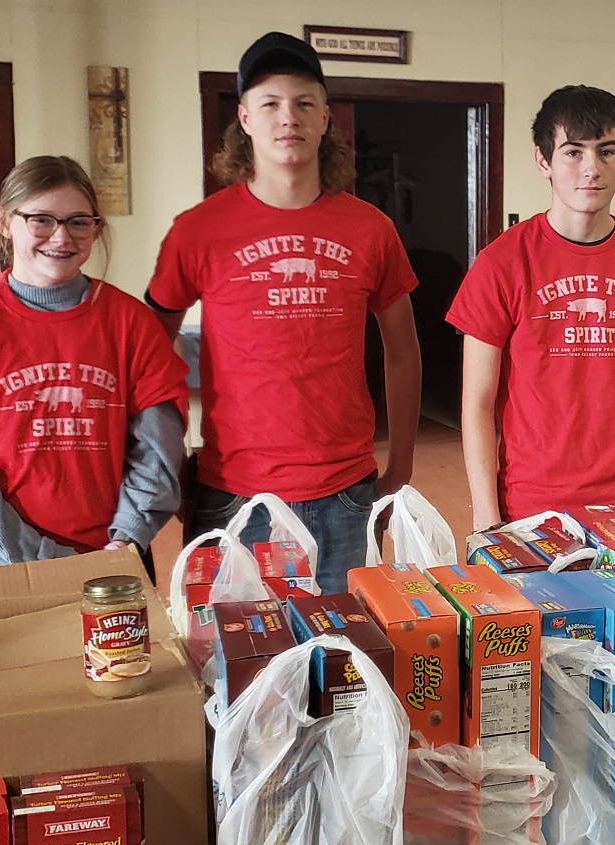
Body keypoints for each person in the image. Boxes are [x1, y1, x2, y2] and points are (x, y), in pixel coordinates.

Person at [146, 32, 420, 594]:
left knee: (344, 662)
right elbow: (149, 348)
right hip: (231, 492)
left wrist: (403, 467)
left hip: (346, 490)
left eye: (303, 103)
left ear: (325, 119)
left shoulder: (371, 230)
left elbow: (403, 349)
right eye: (269, 103)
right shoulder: (198, 231)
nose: (286, 118)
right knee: (231, 666)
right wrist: (167, 460)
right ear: (245, 118)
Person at [0, 155, 189, 573]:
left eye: (78, 222)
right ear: (3, 221)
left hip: (115, 552)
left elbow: (159, 447)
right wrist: (39, 559)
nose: (61, 237)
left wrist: (127, 535)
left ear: (96, 228)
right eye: (42, 220)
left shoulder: (130, 322)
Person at [450, 85, 615, 529]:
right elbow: (477, 399)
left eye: (606, 151)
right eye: (573, 152)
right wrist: (486, 519)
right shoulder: (500, 263)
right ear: (544, 160)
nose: (591, 169)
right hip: (528, 506)